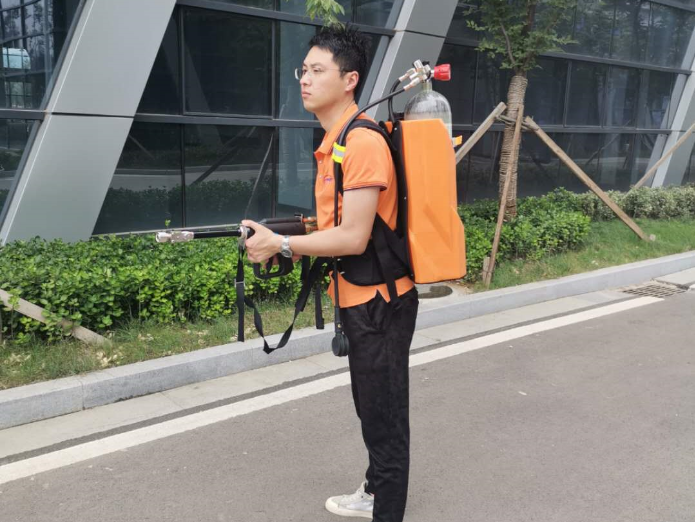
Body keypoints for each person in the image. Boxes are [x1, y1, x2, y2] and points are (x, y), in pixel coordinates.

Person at [243, 25, 419, 522]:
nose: (304, 79)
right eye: (303, 70)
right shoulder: (335, 143)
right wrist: (288, 241)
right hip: (359, 299)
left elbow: (354, 237)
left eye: (318, 70)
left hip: (380, 303)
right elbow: (334, 227)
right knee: (371, 409)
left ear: (349, 80)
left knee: (384, 418)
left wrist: (282, 244)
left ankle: (386, 510)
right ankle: (374, 490)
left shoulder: (360, 142)